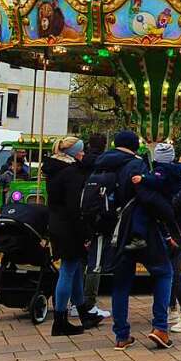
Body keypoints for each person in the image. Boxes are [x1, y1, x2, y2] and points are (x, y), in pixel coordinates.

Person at [94, 130, 174, 350]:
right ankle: (160, 327)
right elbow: (147, 197)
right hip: (141, 229)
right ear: (132, 145)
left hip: (114, 231)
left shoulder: (99, 164)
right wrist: (167, 216)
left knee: (121, 284)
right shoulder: (135, 166)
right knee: (164, 272)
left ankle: (121, 335)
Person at [44, 135, 102, 336]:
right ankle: (60, 319)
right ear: (74, 153)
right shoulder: (71, 174)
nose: (84, 154)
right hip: (69, 226)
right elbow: (76, 206)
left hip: (57, 223)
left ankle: (84, 312)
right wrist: (85, 231)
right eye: (81, 151)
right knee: (68, 269)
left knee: (76, 267)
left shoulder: (54, 169)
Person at [146, 142, 181, 333]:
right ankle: (172, 308)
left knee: (175, 272)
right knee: (170, 270)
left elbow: (171, 207)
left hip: (179, 233)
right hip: (175, 230)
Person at [76, 133, 111, 322]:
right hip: (96, 218)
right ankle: (89, 305)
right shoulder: (104, 165)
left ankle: (76, 302)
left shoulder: (79, 163)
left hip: (78, 217)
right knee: (94, 264)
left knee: (79, 261)